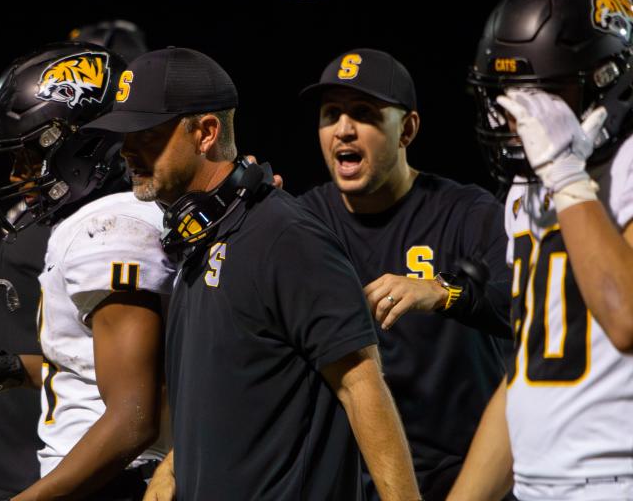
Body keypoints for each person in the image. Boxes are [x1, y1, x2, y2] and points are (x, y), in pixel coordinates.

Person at [83, 46, 420, 500]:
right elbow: (236, 391)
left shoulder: (285, 237)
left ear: (205, 133)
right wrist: (175, 465)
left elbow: (362, 386)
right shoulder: (200, 237)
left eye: (145, 133)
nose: (127, 150)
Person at [0, 41, 175, 500]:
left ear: (84, 142)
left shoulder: (109, 229)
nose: (19, 175)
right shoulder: (112, 218)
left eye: (30, 154)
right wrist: (14, 368)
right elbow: (108, 367)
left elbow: (133, 419)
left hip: (110, 482)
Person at [450, 0, 633, 501]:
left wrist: (569, 179)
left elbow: (625, 318)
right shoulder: (528, 186)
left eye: (545, 94)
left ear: (608, 80)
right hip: (535, 482)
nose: (523, 118)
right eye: (510, 95)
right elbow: (532, 369)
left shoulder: (609, 169)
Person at [296, 48, 512, 500]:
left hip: (464, 476)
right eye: (330, 113)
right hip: (351, 479)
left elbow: (531, 311)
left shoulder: (466, 212)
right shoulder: (302, 222)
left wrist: (444, 291)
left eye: (364, 113)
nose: (344, 129)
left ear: (407, 130)